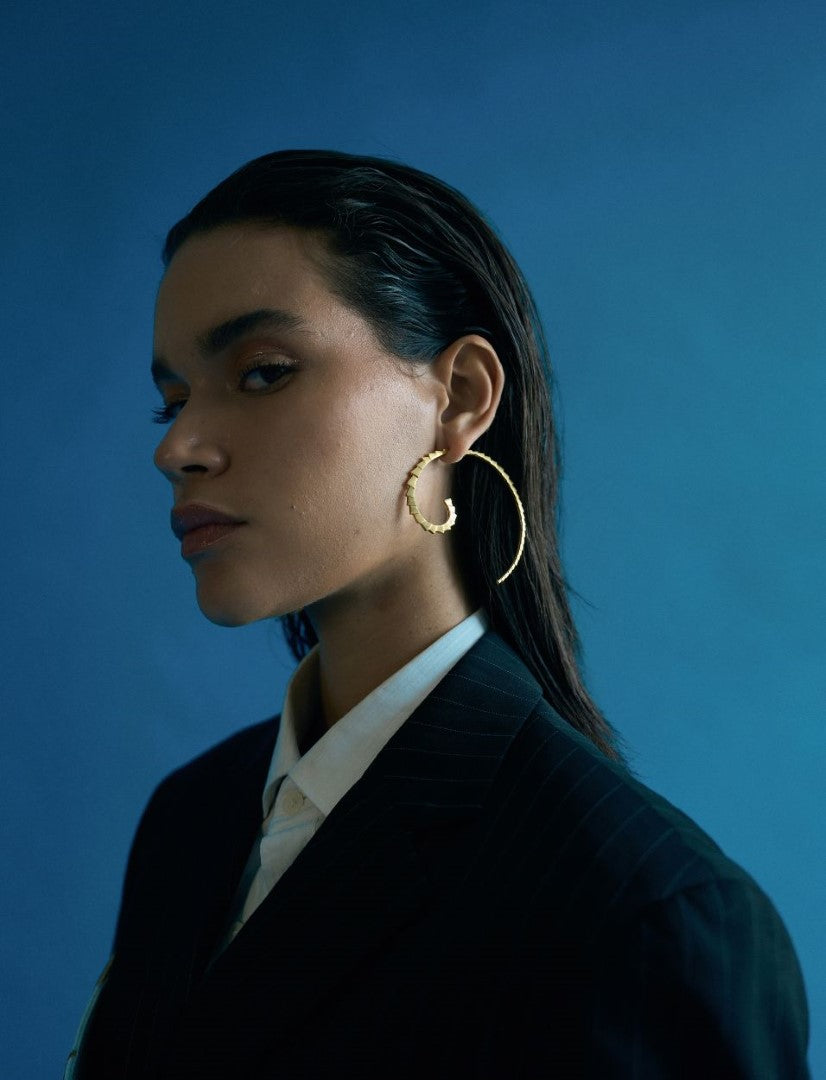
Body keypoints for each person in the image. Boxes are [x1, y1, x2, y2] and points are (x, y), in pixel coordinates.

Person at [65, 149, 811, 1079]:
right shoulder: (193, 820)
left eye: (262, 373)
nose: (177, 447)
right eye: (170, 400)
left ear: (459, 397)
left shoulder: (643, 914)